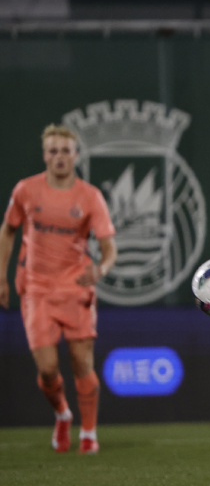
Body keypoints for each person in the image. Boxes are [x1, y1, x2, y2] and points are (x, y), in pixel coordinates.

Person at [0, 124, 117, 454]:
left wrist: (101, 269)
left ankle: (89, 433)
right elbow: (8, 231)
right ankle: (63, 414)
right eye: (53, 150)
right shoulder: (26, 190)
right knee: (48, 369)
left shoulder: (90, 196)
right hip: (36, 289)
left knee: (82, 362)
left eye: (65, 150)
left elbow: (109, 248)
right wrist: (2, 276)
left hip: (75, 287)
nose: (60, 157)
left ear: (76, 155)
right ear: (45, 155)